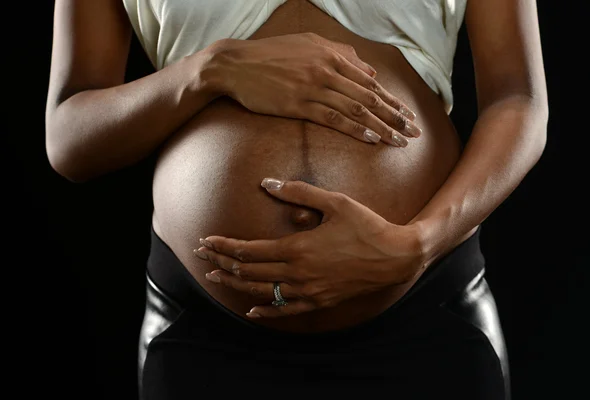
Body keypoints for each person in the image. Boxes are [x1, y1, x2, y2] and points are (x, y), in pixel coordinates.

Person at [45, 0, 548, 399]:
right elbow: (70, 136)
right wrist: (209, 70)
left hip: (424, 314)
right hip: (208, 339)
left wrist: (417, 244)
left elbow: (518, 97)